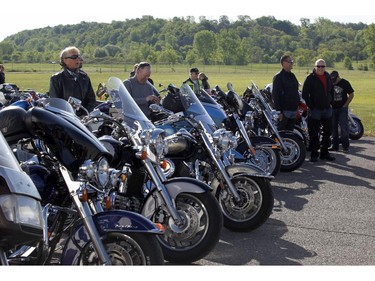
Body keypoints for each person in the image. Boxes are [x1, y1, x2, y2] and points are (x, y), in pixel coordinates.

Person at [302, 59, 335, 162]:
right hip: (315, 110)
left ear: (325, 67)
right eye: (318, 66)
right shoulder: (310, 78)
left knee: (328, 131)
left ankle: (325, 152)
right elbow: (305, 94)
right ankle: (314, 153)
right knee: (313, 133)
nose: (320, 68)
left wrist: (331, 102)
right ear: (315, 67)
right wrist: (311, 106)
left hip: (327, 109)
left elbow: (331, 91)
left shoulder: (328, 77)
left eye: (322, 66)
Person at [49, 46, 96, 116]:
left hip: (84, 119)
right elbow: (55, 103)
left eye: (79, 57)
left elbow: (91, 100)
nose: (78, 59)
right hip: (65, 118)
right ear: (65, 60)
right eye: (74, 57)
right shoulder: (56, 79)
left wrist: (85, 115)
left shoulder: (85, 77)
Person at [271, 55, 300, 131]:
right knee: (282, 132)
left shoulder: (292, 76)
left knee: (290, 133)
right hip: (284, 111)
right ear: (284, 63)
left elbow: (295, 91)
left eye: (292, 62)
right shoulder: (278, 77)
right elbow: (276, 95)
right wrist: (279, 111)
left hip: (293, 109)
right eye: (290, 62)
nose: (291, 63)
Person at [330, 70, 354, 152]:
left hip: (342, 108)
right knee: (334, 128)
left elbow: (351, 94)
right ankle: (335, 146)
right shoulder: (331, 83)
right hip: (333, 108)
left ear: (338, 77)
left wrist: (345, 105)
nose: (334, 83)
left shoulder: (345, 83)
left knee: (344, 127)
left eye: (335, 80)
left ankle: (345, 146)